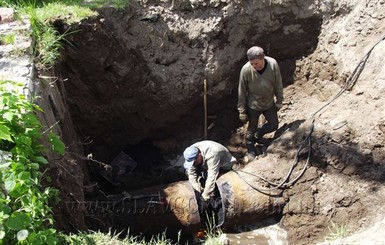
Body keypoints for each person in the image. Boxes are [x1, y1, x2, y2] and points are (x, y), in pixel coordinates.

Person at [237, 46, 284, 162]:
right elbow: (241, 91)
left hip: (269, 102)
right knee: (251, 128)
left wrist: (279, 100)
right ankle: (250, 148)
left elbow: (278, 82)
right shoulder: (246, 70)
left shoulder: (273, 64)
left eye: (257, 63)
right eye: (252, 63)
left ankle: (258, 134)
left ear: (263, 58)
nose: (255, 66)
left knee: (273, 125)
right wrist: (241, 111)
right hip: (253, 105)